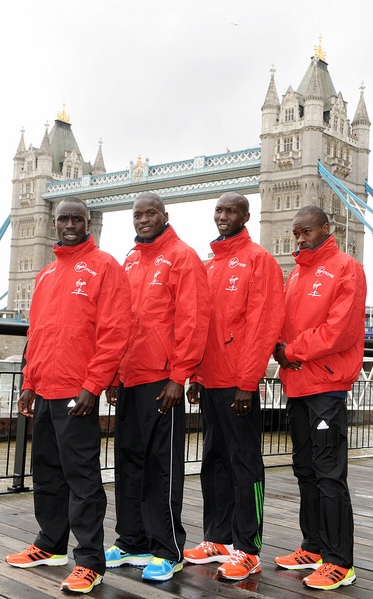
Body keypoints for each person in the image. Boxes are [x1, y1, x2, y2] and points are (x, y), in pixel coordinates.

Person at [5, 198, 131, 594]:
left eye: (77, 218)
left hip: (78, 391)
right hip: (44, 389)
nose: (70, 224)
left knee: (82, 477)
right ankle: (50, 543)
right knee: (46, 471)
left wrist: (93, 385)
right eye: (63, 219)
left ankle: (89, 560)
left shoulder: (106, 266)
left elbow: (115, 333)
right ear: (54, 223)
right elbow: (37, 334)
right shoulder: (45, 274)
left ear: (89, 222)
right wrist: (29, 382)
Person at [104, 191, 211, 582]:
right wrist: (114, 373)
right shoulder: (130, 259)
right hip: (130, 377)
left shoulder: (183, 256)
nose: (143, 219)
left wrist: (178, 376)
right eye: (137, 214)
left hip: (161, 379)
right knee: (128, 462)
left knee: (161, 467)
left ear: (165, 215)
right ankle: (132, 540)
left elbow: (193, 321)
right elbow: (119, 321)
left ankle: (168, 549)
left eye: (151, 213)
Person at [184, 192, 284, 581]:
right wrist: (194, 375)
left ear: (246, 215)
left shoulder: (259, 261)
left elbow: (264, 326)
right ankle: (218, 538)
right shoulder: (210, 265)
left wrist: (248, 381)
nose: (223, 216)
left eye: (231, 211)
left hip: (238, 384)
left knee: (245, 465)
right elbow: (200, 327)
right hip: (210, 380)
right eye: (219, 210)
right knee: (214, 462)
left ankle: (247, 548)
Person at [272, 205, 365, 590]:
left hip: (326, 385)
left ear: (326, 229)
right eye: (295, 233)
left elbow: (339, 331)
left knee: (329, 474)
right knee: (305, 470)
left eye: (306, 231)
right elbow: (280, 325)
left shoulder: (347, 268)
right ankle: (312, 546)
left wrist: (290, 352)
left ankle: (339, 561)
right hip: (296, 385)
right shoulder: (295, 274)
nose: (299, 238)